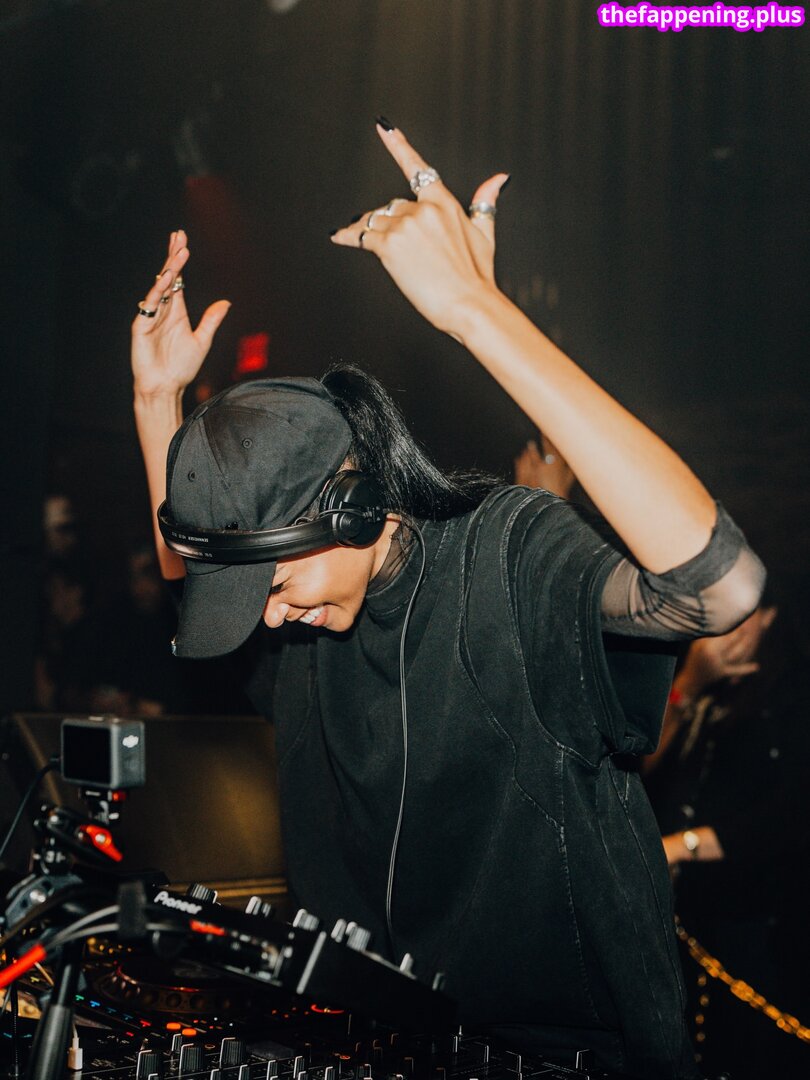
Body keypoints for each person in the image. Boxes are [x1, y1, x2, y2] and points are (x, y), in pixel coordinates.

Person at [130, 121, 764, 1080]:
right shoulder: (303, 623)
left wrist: (476, 311)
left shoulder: (505, 554)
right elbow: (195, 581)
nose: (268, 617)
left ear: (351, 509)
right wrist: (157, 406)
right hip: (374, 1049)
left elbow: (721, 586)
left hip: (569, 1059)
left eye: (277, 584)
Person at [643, 589, 810, 1078]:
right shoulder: (700, 682)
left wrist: (683, 846)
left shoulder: (793, 697)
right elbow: (640, 768)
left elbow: (788, 817)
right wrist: (688, 685)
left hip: (754, 930)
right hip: (681, 922)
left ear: (769, 616)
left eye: (738, 613)